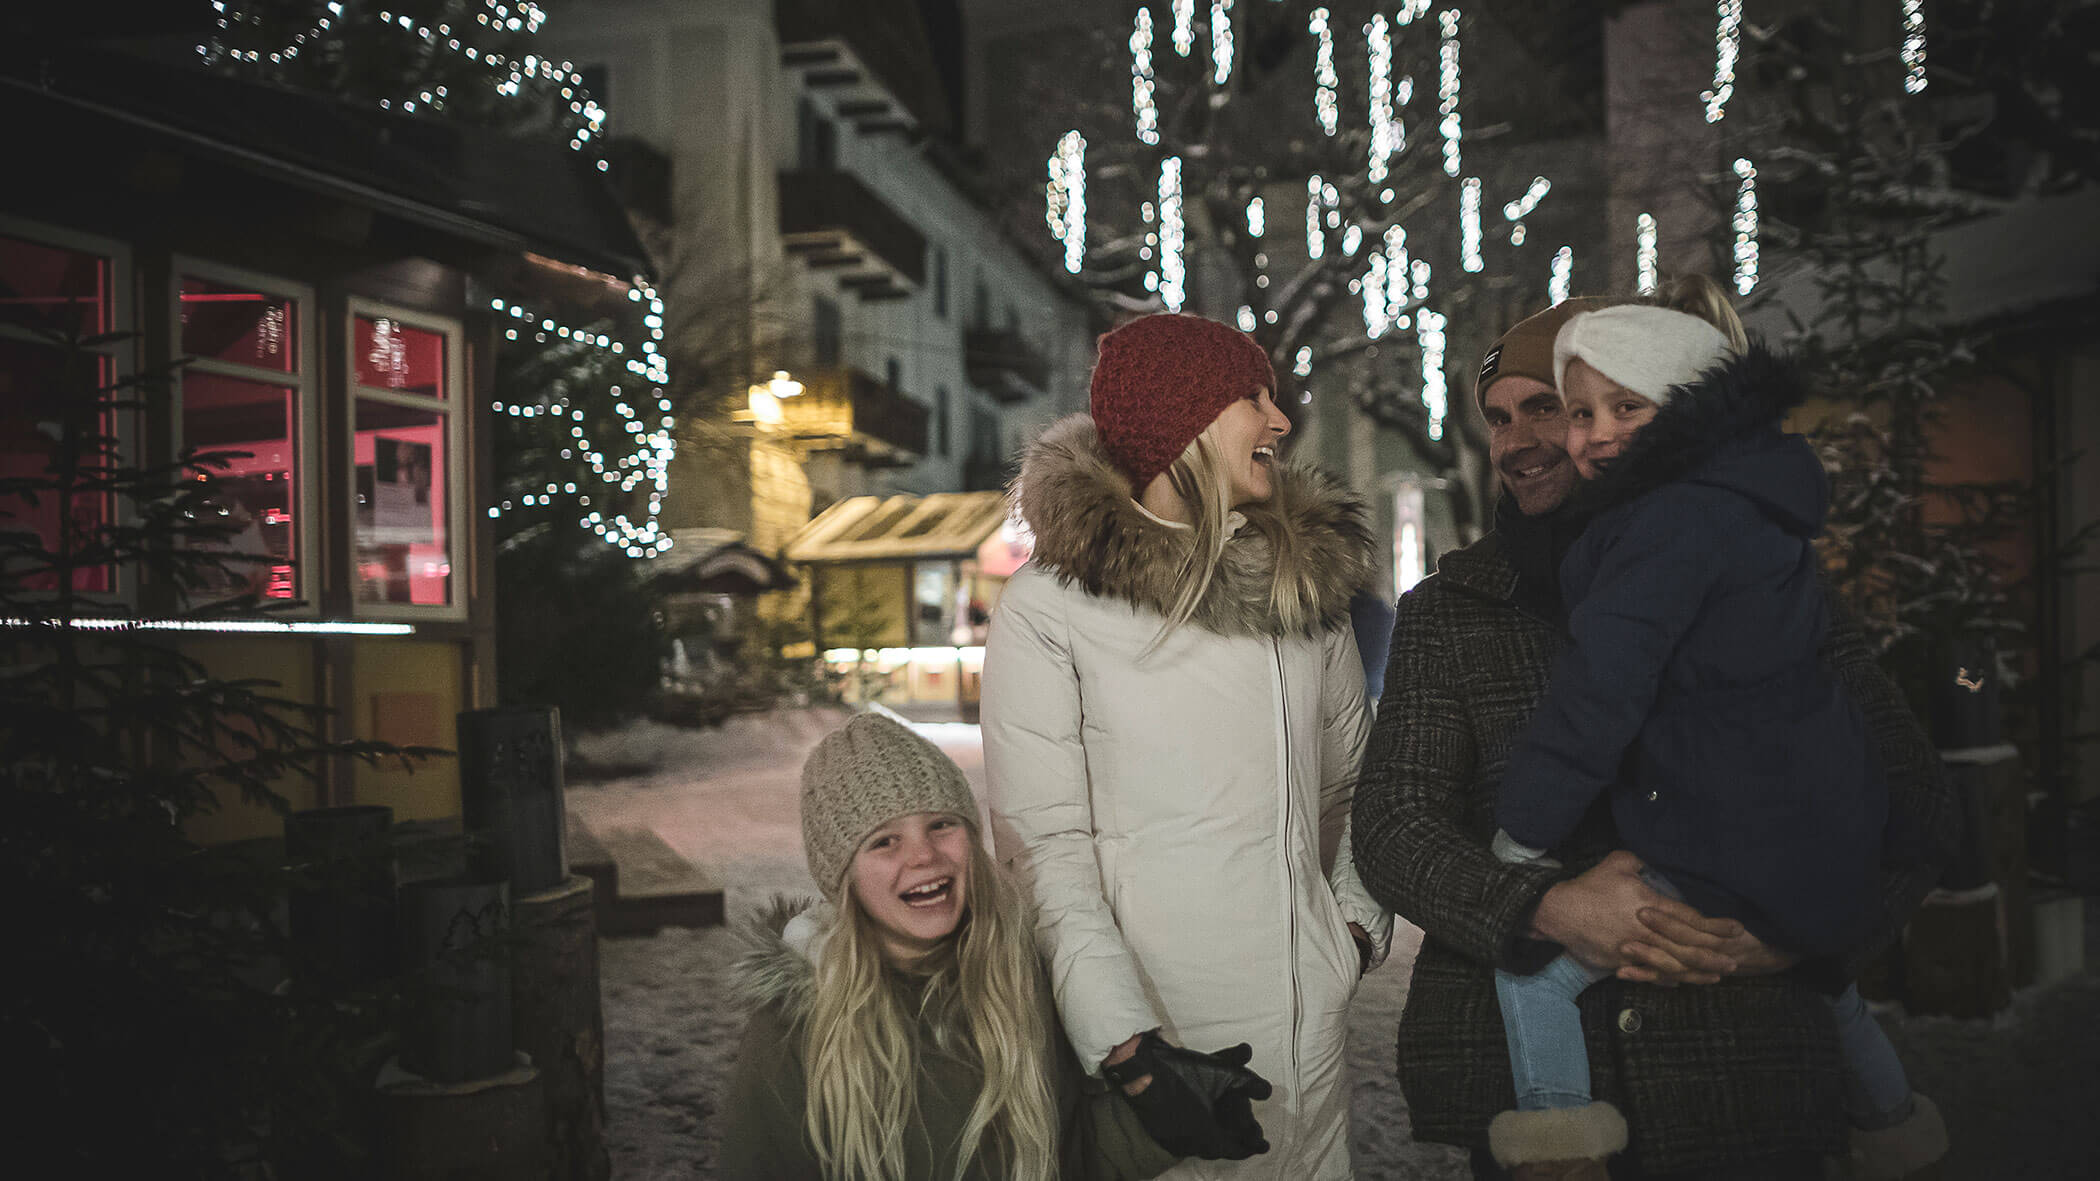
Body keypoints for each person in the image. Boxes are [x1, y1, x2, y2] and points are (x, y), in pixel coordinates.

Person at [1351, 287, 1958, 1181]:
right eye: (1498, 418)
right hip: (1534, 1092)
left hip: (1746, 1073)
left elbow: (1917, 799)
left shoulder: (1755, 562)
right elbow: (1392, 826)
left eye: (1545, 407)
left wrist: (1796, 931)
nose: (1517, 441)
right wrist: (1545, 907)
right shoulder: (1451, 610)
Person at [983, 312, 1394, 1181]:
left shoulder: (1302, 586)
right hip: (1167, 1063)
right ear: (1184, 425)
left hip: (1311, 1046)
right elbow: (1045, 849)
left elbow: (1358, 786)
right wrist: (1128, 1048)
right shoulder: (1051, 607)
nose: (1280, 421)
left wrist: (1350, 933)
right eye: (1254, 399)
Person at [720, 712, 1269, 1180]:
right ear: (844, 879)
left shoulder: (1018, 982)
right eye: (885, 841)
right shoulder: (798, 1029)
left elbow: (1066, 1157)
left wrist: (1162, 1120)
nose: (924, 856)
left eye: (941, 825)